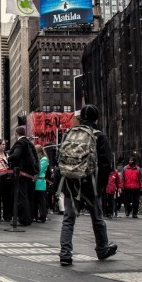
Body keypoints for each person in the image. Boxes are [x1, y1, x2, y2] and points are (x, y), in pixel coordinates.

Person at [56, 105, 118, 266]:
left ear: (81, 118)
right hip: (91, 183)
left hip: (71, 183)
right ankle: (102, 248)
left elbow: (59, 159)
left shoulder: (68, 134)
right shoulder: (99, 136)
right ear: (95, 119)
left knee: (68, 218)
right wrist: (100, 186)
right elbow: (106, 164)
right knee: (97, 218)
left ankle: (65, 253)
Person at [8, 126, 39, 226]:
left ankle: (24, 219)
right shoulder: (29, 143)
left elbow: (16, 155)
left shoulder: (20, 142)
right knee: (27, 196)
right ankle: (28, 218)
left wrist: (7, 158)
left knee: (21, 196)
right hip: (29, 174)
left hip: (21, 173)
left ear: (16, 134)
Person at [33, 144, 49, 223]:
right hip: (37, 181)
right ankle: (36, 216)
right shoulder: (40, 159)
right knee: (35, 200)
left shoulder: (44, 159)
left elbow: (39, 170)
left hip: (40, 182)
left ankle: (43, 216)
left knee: (41, 200)